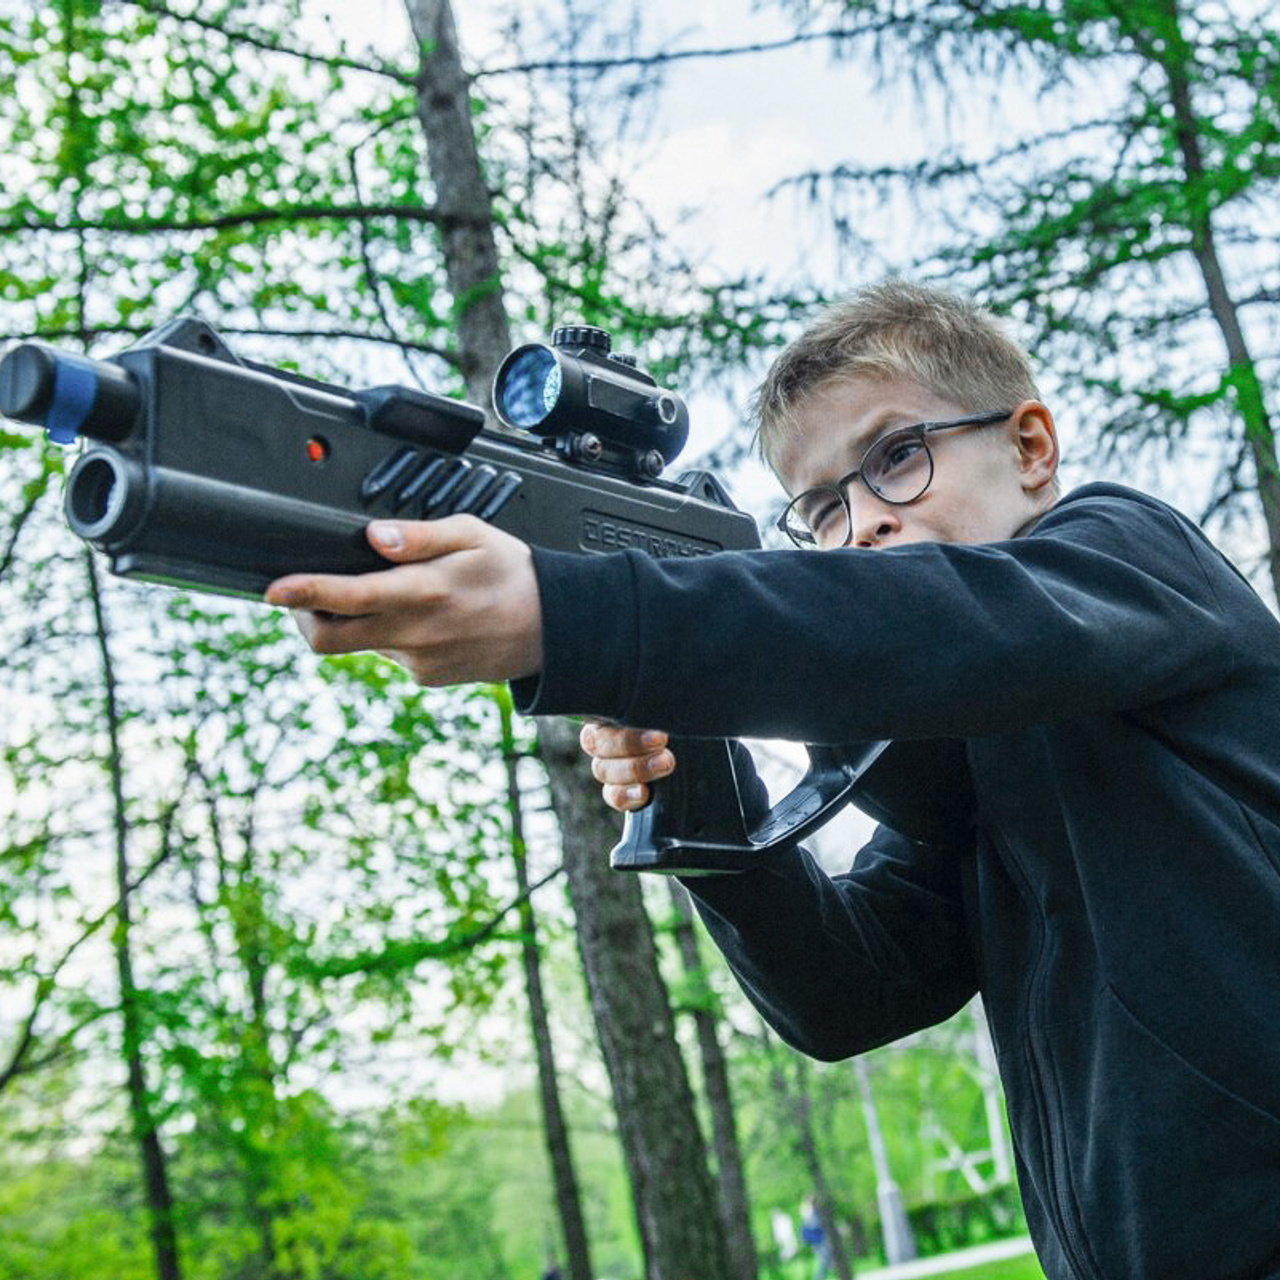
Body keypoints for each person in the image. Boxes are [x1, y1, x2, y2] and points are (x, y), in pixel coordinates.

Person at [265, 281, 1280, 1280]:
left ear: (1028, 447)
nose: (864, 523)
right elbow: (850, 992)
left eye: (895, 457)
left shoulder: (1128, 558)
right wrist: (698, 776)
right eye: (822, 509)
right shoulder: (975, 754)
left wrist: (580, 619)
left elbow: (928, 629)